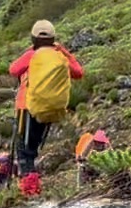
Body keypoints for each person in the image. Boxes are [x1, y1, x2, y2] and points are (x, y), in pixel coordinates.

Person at [7, 20, 84, 196]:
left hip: (26, 106)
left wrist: (31, 52)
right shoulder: (59, 56)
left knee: (24, 151)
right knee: (32, 150)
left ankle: (30, 191)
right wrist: (63, 51)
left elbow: (13, 69)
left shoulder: (33, 55)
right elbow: (78, 72)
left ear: (34, 38)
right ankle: (32, 188)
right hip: (49, 108)